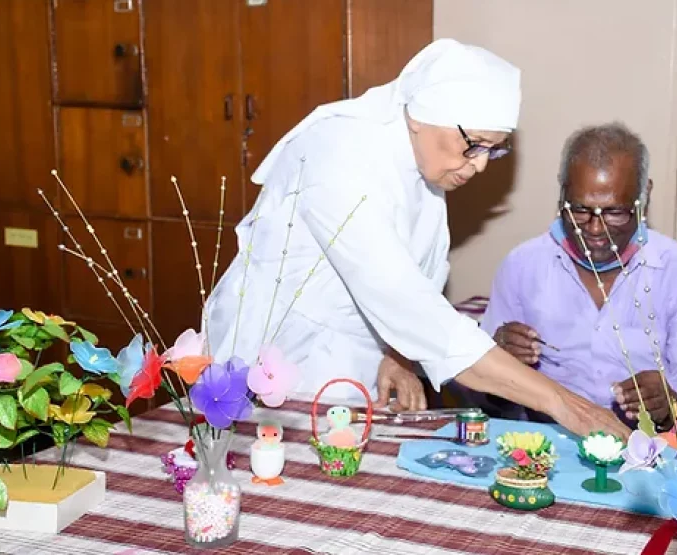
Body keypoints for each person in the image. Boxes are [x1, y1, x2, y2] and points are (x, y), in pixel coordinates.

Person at [204, 39, 630, 439]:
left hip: (346, 368)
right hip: (279, 360)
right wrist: (561, 402)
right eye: (475, 145)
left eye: (493, 150)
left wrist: (397, 354)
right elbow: (407, 302)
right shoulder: (339, 156)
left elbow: (420, 277)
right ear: (420, 115)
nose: (480, 166)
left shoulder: (422, 163)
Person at [478, 122, 677, 429]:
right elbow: (478, 388)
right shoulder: (522, 266)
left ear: (644, 195)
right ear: (561, 191)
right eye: (579, 209)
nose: (594, 229)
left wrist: (672, 401)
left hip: (648, 445)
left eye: (615, 212)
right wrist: (498, 361)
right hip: (546, 443)